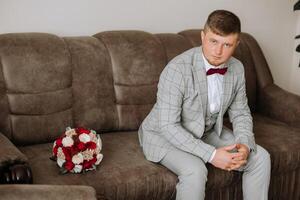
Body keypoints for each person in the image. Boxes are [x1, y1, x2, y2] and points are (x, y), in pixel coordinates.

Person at [138, 10, 271, 200]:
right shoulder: (177, 69)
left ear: (236, 44)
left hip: (206, 131)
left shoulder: (237, 69)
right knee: (195, 170)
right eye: (213, 41)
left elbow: (240, 112)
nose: (218, 51)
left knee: (260, 158)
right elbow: (168, 126)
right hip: (162, 135)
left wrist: (245, 143)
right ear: (203, 36)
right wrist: (212, 154)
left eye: (227, 45)